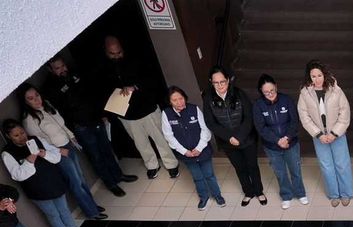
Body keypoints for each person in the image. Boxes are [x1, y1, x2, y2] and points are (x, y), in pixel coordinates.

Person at [43, 56, 138, 197]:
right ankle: (111, 183)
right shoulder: (50, 88)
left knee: (107, 149)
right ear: (50, 70)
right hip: (81, 126)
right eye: (58, 68)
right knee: (96, 156)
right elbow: (63, 109)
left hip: (95, 118)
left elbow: (92, 94)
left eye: (63, 66)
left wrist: (102, 113)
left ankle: (118, 175)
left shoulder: (75, 74)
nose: (63, 69)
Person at [18, 83, 106, 220]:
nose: (36, 99)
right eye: (31, 98)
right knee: (75, 182)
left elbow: (61, 124)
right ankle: (91, 212)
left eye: (37, 95)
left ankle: (91, 204)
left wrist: (72, 137)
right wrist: (58, 151)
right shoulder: (29, 120)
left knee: (80, 177)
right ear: (25, 102)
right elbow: (40, 142)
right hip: (58, 152)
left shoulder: (46, 105)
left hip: (68, 144)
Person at [97, 36, 179, 180]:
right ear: (105, 52)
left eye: (119, 53)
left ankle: (171, 164)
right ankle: (152, 165)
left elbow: (152, 79)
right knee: (141, 144)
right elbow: (103, 91)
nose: (116, 56)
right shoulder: (104, 68)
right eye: (112, 54)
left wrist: (134, 87)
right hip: (126, 115)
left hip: (148, 109)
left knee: (161, 139)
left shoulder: (136, 60)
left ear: (122, 49)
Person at [2, 119, 90, 227]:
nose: (21, 137)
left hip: (53, 181)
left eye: (22, 132)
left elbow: (56, 156)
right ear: (9, 137)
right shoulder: (7, 153)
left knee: (64, 209)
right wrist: (29, 160)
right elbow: (17, 175)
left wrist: (44, 154)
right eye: (16, 135)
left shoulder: (35, 140)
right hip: (36, 190)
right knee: (53, 214)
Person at [202, 65, 266, 207]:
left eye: (222, 82)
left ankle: (258, 191)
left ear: (228, 80)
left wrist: (239, 136)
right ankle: (248, 192)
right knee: (239, 167)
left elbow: (249, 117)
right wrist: (229, 137)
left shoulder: (239, 93)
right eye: (216, 83)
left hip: (247, 138)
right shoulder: (208, 98)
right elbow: (210, 122)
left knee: (252, 166)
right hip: (227, 142)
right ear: (211, 82)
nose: (220, 85)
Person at [298, 59, 353, 207]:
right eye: (313, 76)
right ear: (309, 77)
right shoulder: (304, 93)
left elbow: (345, 112)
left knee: (342, 164)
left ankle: (346, 193)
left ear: (325, 75)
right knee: (326, 166)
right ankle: (334, 194)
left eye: (319, 75)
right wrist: (318, 134)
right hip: (319, 137)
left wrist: (334, 133)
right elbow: (304, 116)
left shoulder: (336, 90)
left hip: (337, 135)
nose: (317, 79)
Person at [161, 86, 225, 211]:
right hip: (186, 154)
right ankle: (203, 197)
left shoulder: (194, 109)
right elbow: (169, 136)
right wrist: (185, 152)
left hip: (202, 151)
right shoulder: (166, 114)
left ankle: (217, 196)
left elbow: (205, 130)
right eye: (175, 100)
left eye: (181, 98)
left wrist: (199, 148)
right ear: (170, 102)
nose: (179, 102)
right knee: (197, 177)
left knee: (209, 175)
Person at [253, 74, 307, 210]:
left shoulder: (286, 100)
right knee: (280, 172)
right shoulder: (258, 105)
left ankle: (300, 193)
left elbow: (294, 121)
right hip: (272, 147)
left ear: (276, 86)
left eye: (272, 90)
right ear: (261, 91)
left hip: (291, 143)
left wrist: (287, 138)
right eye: (266, 92)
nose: (270, 94)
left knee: (295, 169)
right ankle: (286, 195)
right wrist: (277, 140)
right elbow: (261, 128)